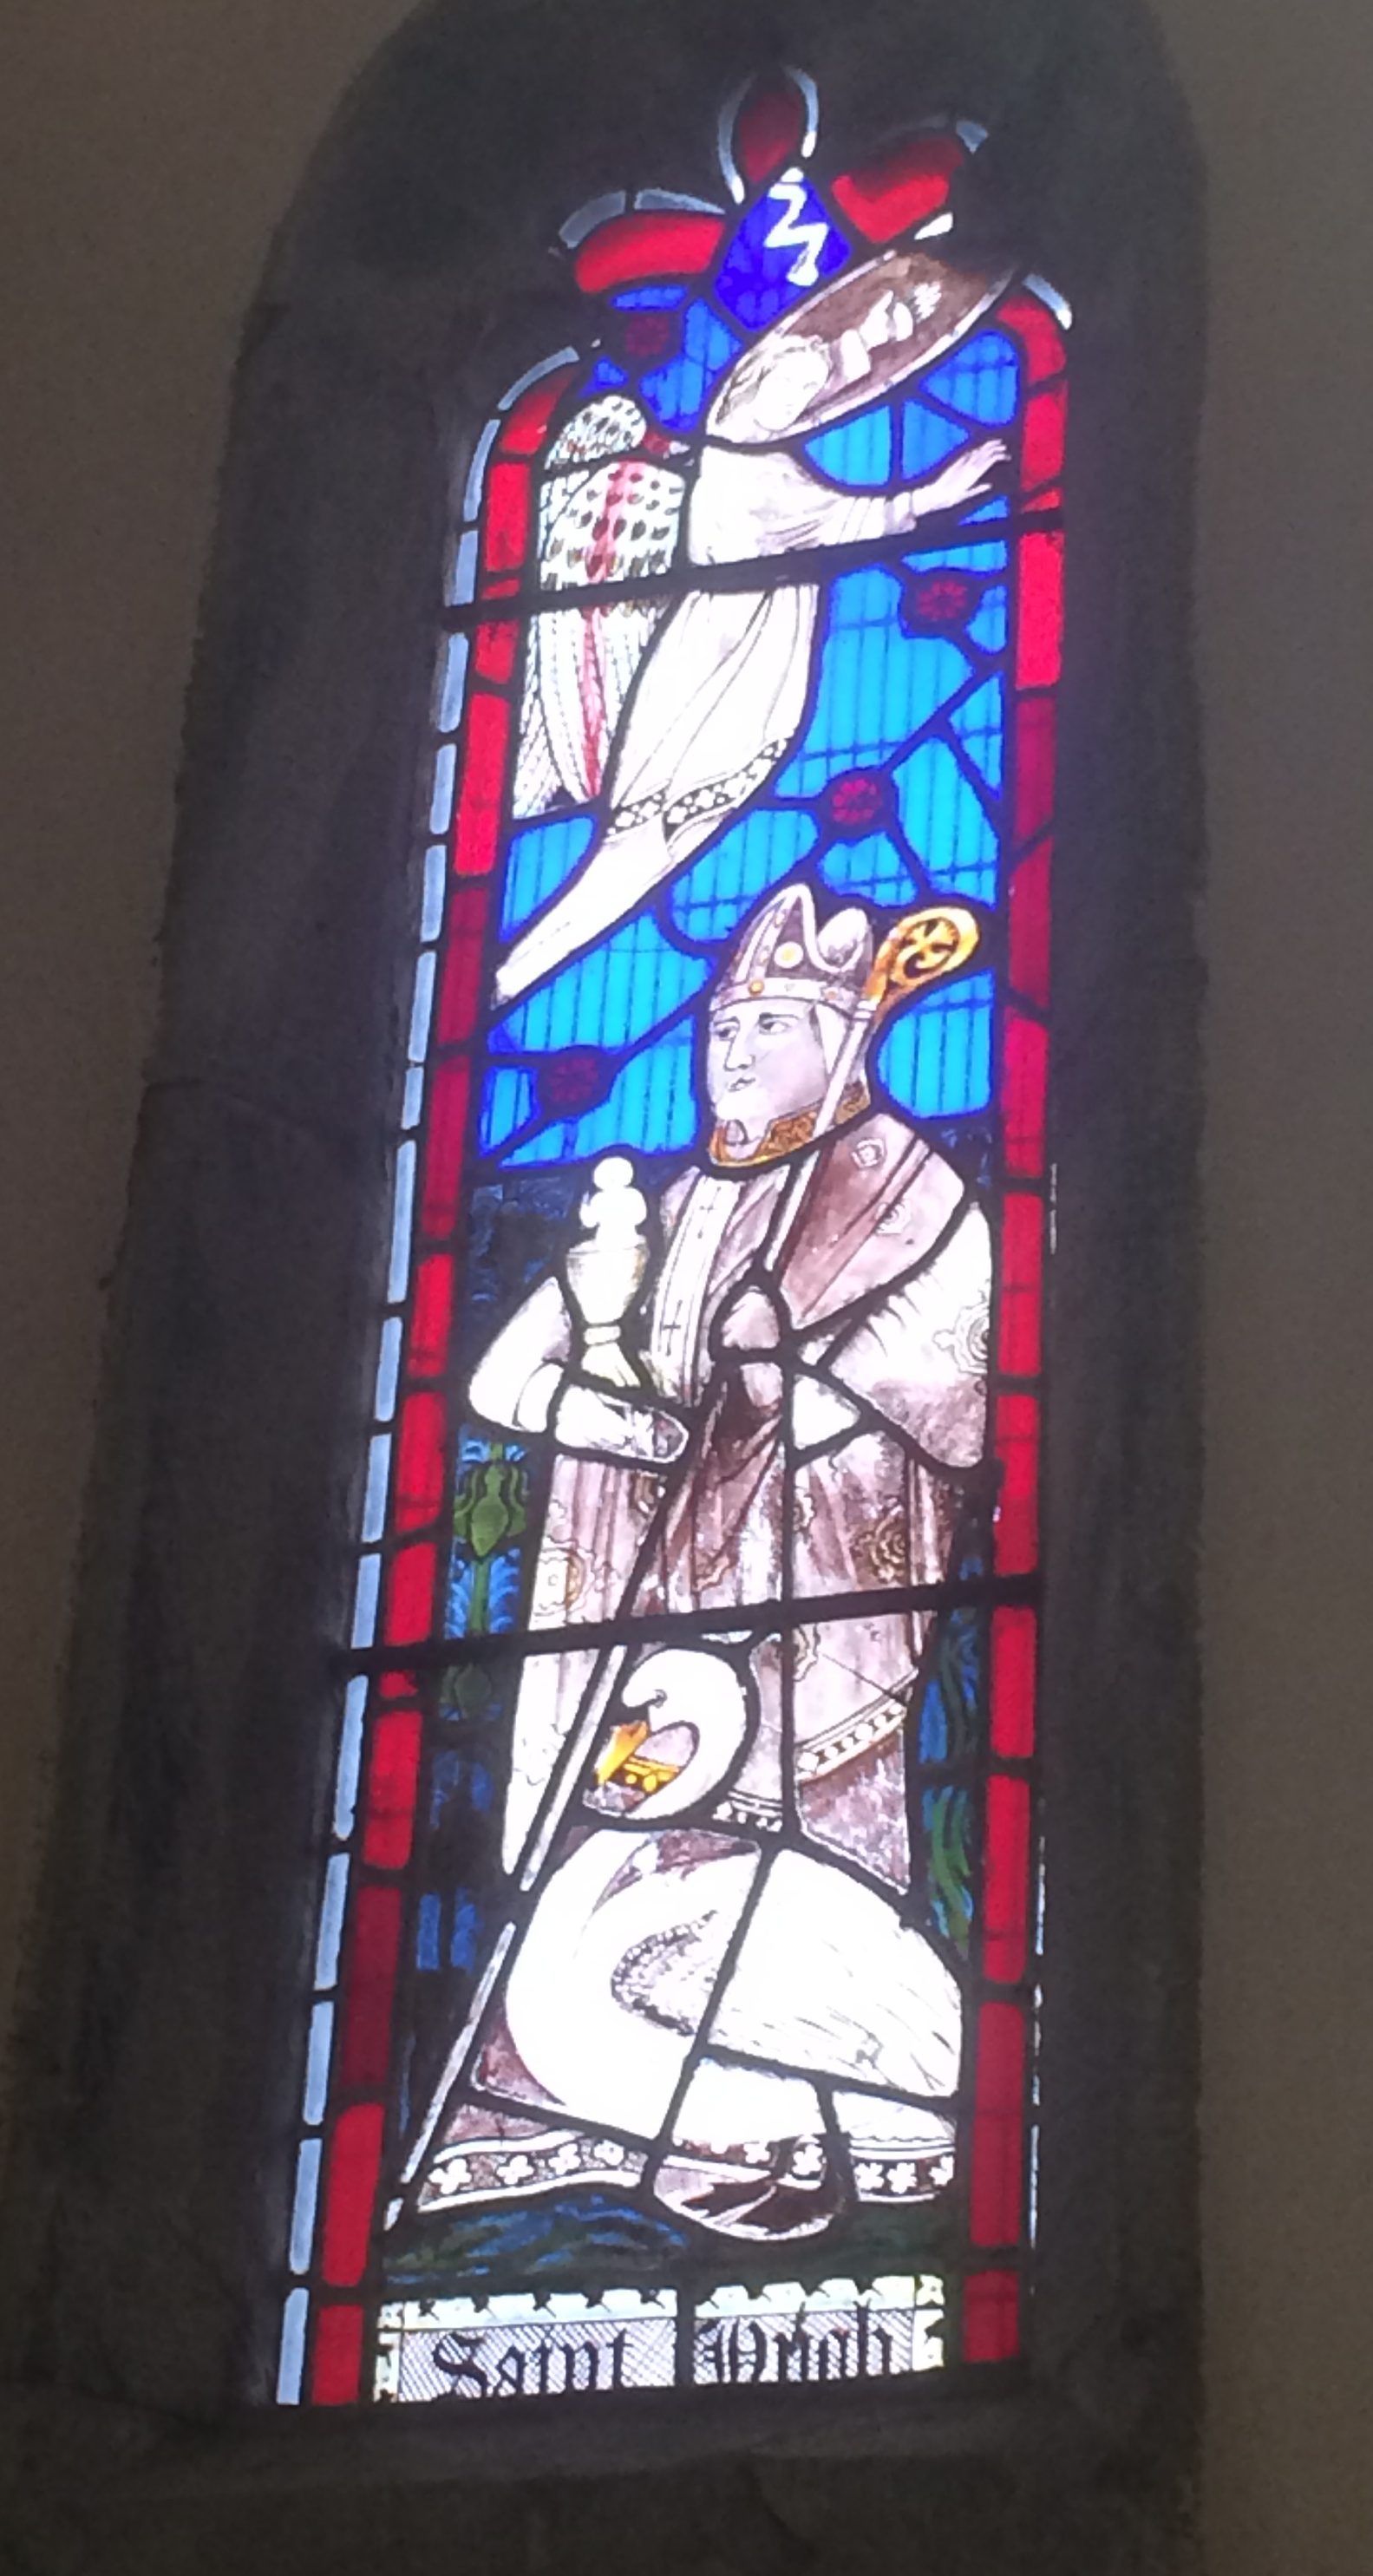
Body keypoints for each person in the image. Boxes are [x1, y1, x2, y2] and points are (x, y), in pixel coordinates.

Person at [403, 882, 991, 2240]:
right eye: (721, 1026)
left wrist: (794, 1378)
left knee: (792, 1881)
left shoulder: (907, 1191)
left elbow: (948, 1384)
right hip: (651, 1613)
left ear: (840, 1040)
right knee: (613, 1860)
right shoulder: (661, 1210)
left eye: (767, 1024)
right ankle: (599, 2117)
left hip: (815, 1608)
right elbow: (507, 1380)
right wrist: (606, 1413)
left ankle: (831, 2115)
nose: (729, 1050)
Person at [496, 246, 1007, 1004]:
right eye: (787, 383)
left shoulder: (756, 457)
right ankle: (511, 975)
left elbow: (840, 510)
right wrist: (932, 495)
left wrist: (877, 348)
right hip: (712, 679)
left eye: (810, 388)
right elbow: (848, 521)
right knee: (643, 845)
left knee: (656, 845)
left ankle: (513, 973)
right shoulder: (745, 471)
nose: (799, 396)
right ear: (753, 380)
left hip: (747, 671)